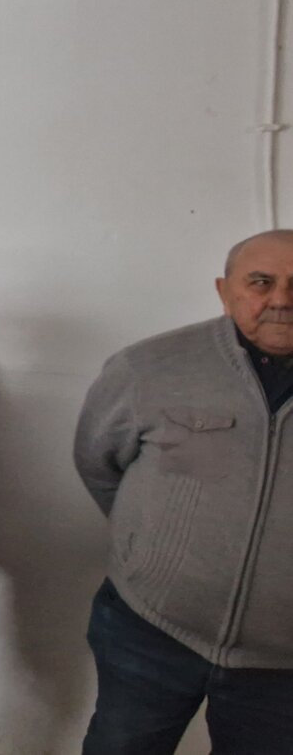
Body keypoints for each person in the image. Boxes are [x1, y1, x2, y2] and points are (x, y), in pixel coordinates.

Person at [74, 229, 293, 754]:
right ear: (224, 291)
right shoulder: (149, 367)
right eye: (261, 282)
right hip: (148, 632)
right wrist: (152, 552)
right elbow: (98, 464)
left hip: (282, 667)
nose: (282, 300)